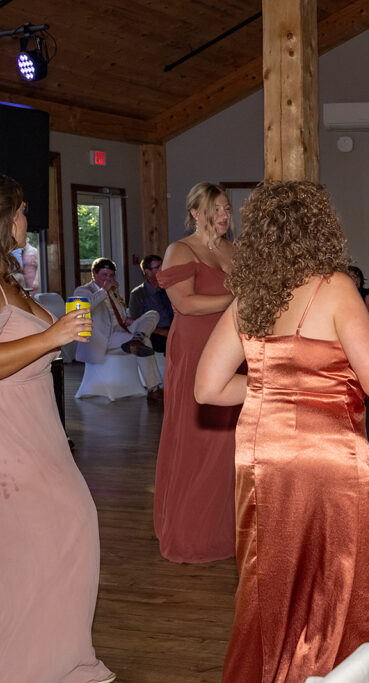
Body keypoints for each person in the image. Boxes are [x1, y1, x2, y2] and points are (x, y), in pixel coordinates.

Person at [195, 180, 369, 681]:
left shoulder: (250, 296)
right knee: (335, 575)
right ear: (321, 229)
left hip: (260, 452)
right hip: (327, 453)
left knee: (266, 576)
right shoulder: (336, 288)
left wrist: (274, 389)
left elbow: (207, 388)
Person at [0, 175, 115, 682]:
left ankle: (55, 661)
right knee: (63, 532)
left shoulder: (10, 278)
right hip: (13, 436)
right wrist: (53, 334)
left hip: (42, 430)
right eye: (23, 209)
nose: (29, 219)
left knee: (56, 540)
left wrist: (59, 335)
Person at [153, 182, 240, 563]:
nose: (223, 216)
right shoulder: (180, 250)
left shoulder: (230, 249)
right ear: (195, 212)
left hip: (231, 346)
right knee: (196, 435)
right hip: (194, 348)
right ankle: (192, 533)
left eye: (226, 209)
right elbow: (185, 304)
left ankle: (227, 529)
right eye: (216, 209)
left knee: (229, 440)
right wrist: (238, 299)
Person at [74, 257, 163, 400]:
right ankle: (154, 388)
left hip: (122, 333)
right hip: (103, 338)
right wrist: (104, 290)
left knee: (152, 314)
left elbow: (120, 317)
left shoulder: (114, 292)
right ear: (94, 274)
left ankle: (136, 339)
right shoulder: (83, 290)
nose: (108, 279)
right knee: (145, 342)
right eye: (104, 275)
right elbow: (85, 308)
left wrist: (131, 321)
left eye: (111, 275)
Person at [129, 254, 174, 353]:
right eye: (158, 267)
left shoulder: (169, 289)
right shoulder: (138, 294)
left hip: (173, 330)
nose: (162, 270)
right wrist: (163, 332)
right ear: (147, 272)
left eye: (163, 266)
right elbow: (136, 322)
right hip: (154, 334)